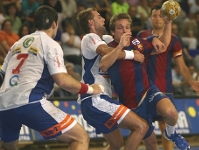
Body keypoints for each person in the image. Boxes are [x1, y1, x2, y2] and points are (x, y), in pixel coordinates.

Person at [0, 5, 103, 150]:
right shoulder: (50, 44)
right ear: (54, 24)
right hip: (30, 102)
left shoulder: (17, 44)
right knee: (80, 138)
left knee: (7, 147)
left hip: (4, 105)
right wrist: (91, 89)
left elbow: (1, 75)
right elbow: (62, 80)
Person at [100, 12, 191, 150]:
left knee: (171, 113)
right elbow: (104, 65)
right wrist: (122, 48)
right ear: (112, 31)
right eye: (120, 28)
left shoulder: (137, 42)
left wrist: (167, 24)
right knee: (151, 143)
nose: (125, 31)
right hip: (131, 103)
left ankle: (171, 133)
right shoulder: (109, 48)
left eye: (127, 27)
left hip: (148, 91)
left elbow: (163, 45)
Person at [77, 7, 149, 150]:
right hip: (95, 98)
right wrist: (132, 55)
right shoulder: (89, 37)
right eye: (99, 17)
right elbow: (107, 52)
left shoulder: (107, 39)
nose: (103, 19)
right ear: (91, 22)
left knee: (116, 144)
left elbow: (131, 40)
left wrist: (152, 41)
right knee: (141, 126)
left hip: (98, 100)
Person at [137, 5, 199, 150]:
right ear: (150, 17)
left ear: (166, 18)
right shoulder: (142, 35)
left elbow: (182, 65)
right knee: (145, 127)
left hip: (165, 88)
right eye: (154, 15)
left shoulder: (174, 40)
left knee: (165, 125)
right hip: (143, 88)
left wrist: (191, 82)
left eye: (161, 15)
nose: (158, 18)